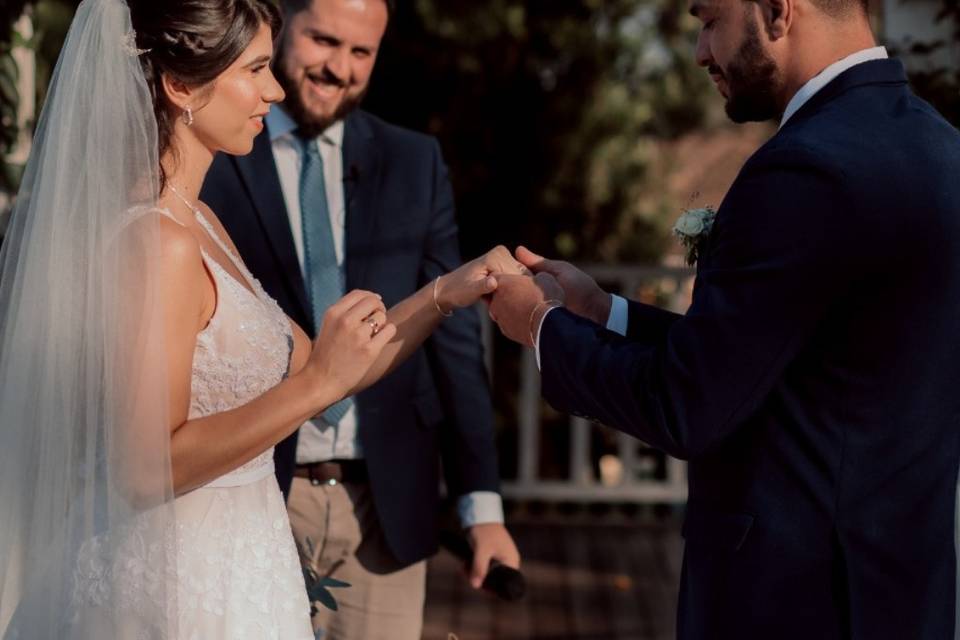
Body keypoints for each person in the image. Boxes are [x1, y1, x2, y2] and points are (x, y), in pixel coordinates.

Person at [0, 0, 518, 637]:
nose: (273, 90)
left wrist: (446, 292)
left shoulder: (202, 224)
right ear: (182, 84)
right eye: (255, 69)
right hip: (176, 589)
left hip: (244, 568)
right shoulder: (158, 242)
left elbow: (338, 370)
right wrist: (318, 386)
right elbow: (143, 468)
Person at [487, 0, 960, 636]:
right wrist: (603, 312)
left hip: (795, 602)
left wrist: (541, 326)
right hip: (900, 597)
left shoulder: (805, 168)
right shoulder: (940, 145)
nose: (700, 52)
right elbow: (781, 363)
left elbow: (686, 405)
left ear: (776, 11)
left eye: (709, 20)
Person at [200, 0, 520, 636]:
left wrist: (481, 507)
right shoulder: (217, 146)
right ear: (284, 23)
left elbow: (454, 343)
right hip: (254, 494)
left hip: (386, 507)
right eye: (324, 40)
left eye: (360, 52)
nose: (337, 68)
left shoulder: (415, 162)